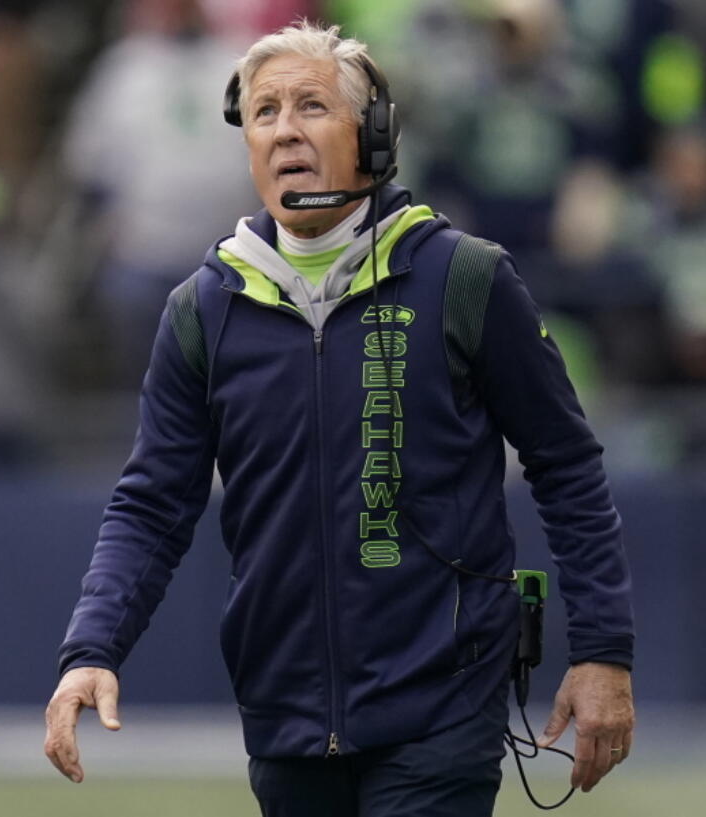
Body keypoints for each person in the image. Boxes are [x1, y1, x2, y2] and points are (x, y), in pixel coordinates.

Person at [45, 21, 634, 817]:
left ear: (372, 135)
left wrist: (602, 650)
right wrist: (92, 647)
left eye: (311, 105)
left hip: (443, 709)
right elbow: (152, 503)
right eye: (264, 112)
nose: (285, 128)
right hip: (283, 719)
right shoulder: (201, 311)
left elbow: (567, 465)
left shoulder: (465, 278)